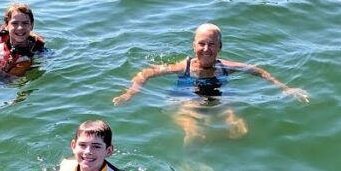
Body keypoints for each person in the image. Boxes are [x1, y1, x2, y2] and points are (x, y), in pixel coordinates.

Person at [111, 23, 309, 143]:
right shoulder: (184, 67)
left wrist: (286, 88)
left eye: (212, 44)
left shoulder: (225, 66)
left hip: (218, 99)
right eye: (201, 44)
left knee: (239, 129)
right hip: (184, 100)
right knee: (195, 133)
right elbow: (146, 73)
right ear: (193, 45)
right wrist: (132, 92)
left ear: (220, 47)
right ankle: (189, 163)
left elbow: (257, 70)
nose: (206, 49)